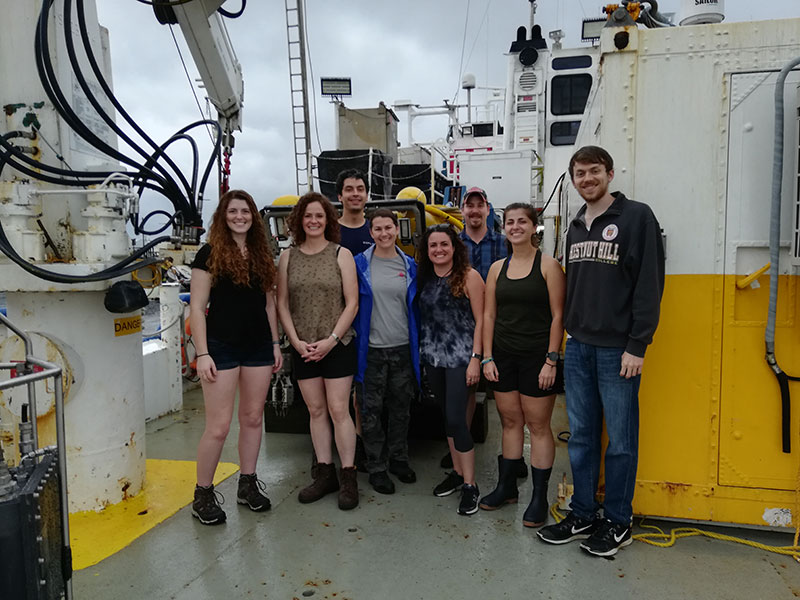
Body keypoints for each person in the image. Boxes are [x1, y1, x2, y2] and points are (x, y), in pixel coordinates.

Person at [537, 146, 665, 557]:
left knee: (622, 440)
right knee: (583, 437)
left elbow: (649, 283)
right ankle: (584, 513)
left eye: (594, 171)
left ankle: (617, 521)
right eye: (579, 173)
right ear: (572, 179)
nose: (587, 179)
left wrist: (637, 344)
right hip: (579, 347)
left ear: (609, 174)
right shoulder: (575, 225)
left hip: (618, 351)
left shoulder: (636, 217)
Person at [189, 189, 283, 525]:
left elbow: (269, 305)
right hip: (221, 347)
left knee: (253, 417)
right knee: (218, 426)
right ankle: (203, 494)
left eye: (245, 211)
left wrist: (274, 344)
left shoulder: (261, 255)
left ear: (253, 217)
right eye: (233, 211)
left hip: (257, 346)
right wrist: (202, 353)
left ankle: (247, 483)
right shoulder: (209, 254)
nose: (240, 216)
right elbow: (197, 308)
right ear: (223, 216)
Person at [480, 203, 565, 528]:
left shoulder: (549, 266)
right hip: (503, 357)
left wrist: (551, 360)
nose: (515, 227)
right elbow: (489, 315)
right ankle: (507, 488)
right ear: (504, 229)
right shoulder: (497, 269)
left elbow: (558, 315)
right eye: (510, 222)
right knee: (510, 421)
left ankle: (539, 497)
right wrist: (487, 357)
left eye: (522, 222)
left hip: (537, 358)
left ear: (534, 228)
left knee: (539, 426)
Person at [277, 192, 360, 510]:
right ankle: (325, 474)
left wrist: (332, 340)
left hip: (336, 345)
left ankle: (348, 475)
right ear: (299, 220)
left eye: (319, 216)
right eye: (307, 216)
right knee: (315, 411)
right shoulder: (288, 257)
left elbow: (351, 302)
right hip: (304, 347)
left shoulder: (341, 254)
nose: (313, 221)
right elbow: (281, 302)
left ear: (328, 220)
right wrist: (295, 341)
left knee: (340, 411)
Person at [418, 224, 485, 516]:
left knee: (458, 419)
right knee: (447, 417)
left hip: (461, 359)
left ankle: (470, 484)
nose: (439, 250)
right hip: (433, 359)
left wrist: (476, 358)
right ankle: (457, 473)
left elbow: (482, 320)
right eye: (433, 246)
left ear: (454, 246)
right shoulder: (425, 278)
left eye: (444, 244)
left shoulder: (470, 277)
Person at [353, 208, 420, 494]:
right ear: (371, 233)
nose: (383, 233)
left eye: (388, 228)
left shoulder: (411, 265)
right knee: (370, 411)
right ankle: (376, 467)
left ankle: (398, 459)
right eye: (377, 229)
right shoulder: (359, 265)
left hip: (403, 348)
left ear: (397, 229)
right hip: (372, 351)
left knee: (401, 409)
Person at [337, 168, 374, 255]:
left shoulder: (377, 231)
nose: (355, 194)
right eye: (349, 189)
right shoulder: (328, 232)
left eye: (360, 189)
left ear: (367, 196)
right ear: (340, 197)